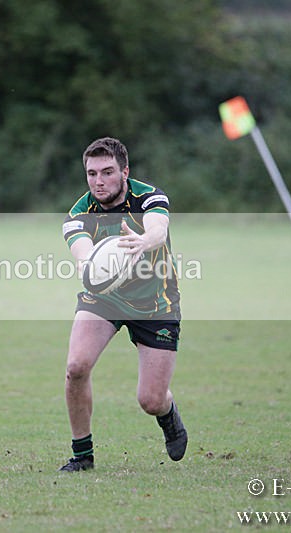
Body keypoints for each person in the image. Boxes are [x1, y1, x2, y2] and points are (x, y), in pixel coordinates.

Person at [59, 137, 186, 472]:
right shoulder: (78, 213)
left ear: (125, 171)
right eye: (91, 173)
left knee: (150, 400)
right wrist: (89, 264)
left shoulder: (149, 197)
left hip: (155, 303)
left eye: (108, 172)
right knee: (76, 367)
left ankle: (168, 413)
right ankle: (82, 454)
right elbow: (83, 252)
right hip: (105, 298)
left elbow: (158, 228)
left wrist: (143, 241)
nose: (99, 181)